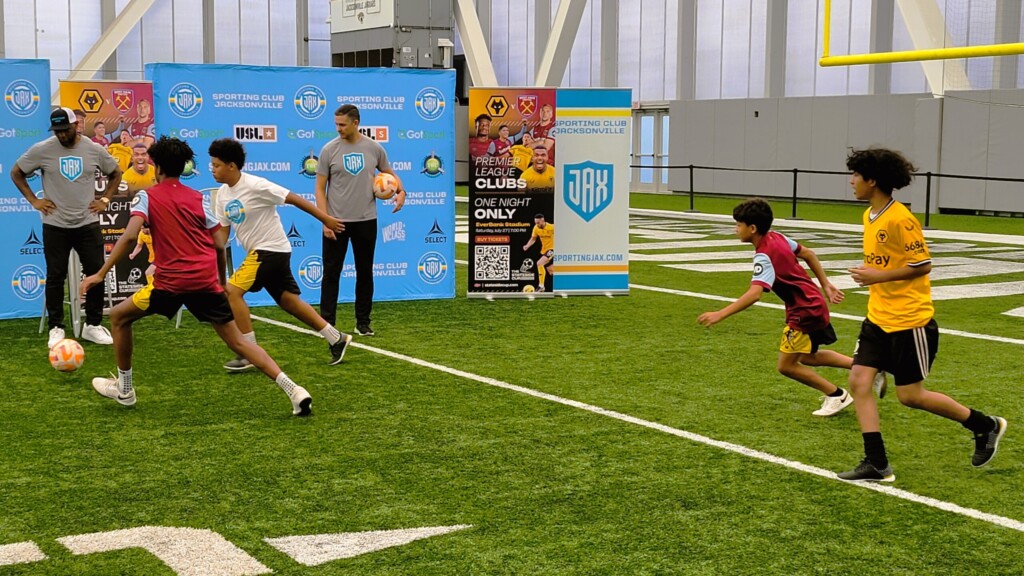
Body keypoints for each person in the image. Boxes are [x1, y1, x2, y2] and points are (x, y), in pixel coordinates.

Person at [78, 136, 314, 416]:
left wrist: (100, 274)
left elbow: (130, 236)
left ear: (157, 168)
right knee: (238, 341)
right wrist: (219, 281)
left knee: (118, 316)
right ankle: (294, 390)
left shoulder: (146, 196)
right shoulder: (198, 198)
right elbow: (217, 244)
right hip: (204, 281)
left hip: (170, 283)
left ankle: (125, 390)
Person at [836, 147, 1006, 482]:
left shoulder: (901, 218)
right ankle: (876, 462)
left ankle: (985, 425)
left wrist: (876, 276)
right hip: (877, 318)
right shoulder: (869, 215)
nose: (851, 181)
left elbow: (922, 265)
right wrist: (873, 271)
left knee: (911, 396)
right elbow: (889, 261)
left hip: (910, 321)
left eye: (856, 175)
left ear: (872, 180)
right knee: (858, 381)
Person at [696, 198, 887, 417]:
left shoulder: (763, 256)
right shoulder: (776, 236)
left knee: (786, 366)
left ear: (752, 228)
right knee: (807, 357)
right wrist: (825, 285)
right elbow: (809, 253)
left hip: (803, 311)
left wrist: (719, 314)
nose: (735, 229)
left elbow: (755, 293)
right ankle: (868, 366)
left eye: (738, 225)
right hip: (813, 303)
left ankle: (836, 395)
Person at [208, 138, 353, 371]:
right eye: (211, 166)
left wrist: (325, 218)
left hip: (270, 250)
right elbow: (222, 235)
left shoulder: (256, 185)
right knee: (288, 301)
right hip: (268, 252)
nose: (212, 170)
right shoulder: (223, 195)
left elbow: (293, 198)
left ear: (232, 166)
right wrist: (206, 247)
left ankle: (249, 353)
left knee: (232, 293)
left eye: (216, 165)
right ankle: (336, 338)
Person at [11, 107, 123, 348]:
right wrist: (34, 200)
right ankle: (56, 327)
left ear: (76, 125)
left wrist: (105, 199)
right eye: (57, 131)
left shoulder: (93, 149)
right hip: (56, 225)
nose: (61, 135)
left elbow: (116, 173)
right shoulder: (43, 149)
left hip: (87, 224)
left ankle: (92, 325)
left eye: (65, 129)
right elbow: (17, 172)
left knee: (95, 273)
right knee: (55, 277)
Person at [315, 104, 405, 337]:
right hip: (336, 222)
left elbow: (390, 173)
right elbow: (319, 187)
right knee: (331, 273)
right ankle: (327, 324)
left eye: (342, 124)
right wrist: (325, 220)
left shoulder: (374, 148)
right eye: (336, 124)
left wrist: (401, 191)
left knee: (365, 272)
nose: (338, 129)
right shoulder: (328, 150)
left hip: (366, 220)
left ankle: (362, 322)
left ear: (356, 123)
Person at [522, 213, 554, 292]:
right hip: (544, 250)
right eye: (535, 223)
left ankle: (541, 286)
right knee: (551, 272)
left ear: (542, 220)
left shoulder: (552, 227)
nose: (537, 224)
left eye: (538, 223)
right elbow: (533, 239)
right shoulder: (536, 228)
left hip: (552, 249)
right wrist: (527, 245)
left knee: (539, 263)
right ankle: (568, 283)